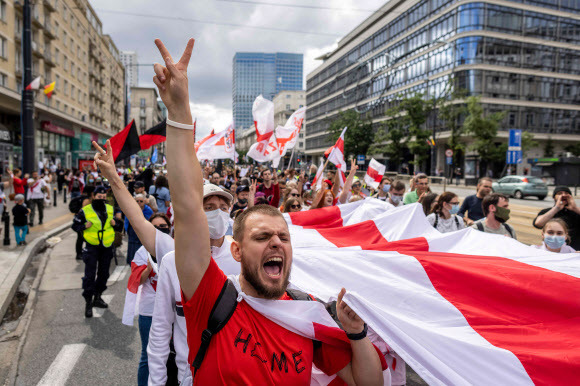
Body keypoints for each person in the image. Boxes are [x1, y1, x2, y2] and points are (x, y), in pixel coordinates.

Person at [152, 38, 384, 385]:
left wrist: (356, 333)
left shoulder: (307, 311)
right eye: (262, 236)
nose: (276, 242)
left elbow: (368, 383)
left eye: (283, 237)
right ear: (236, 249)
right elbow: (187, 204)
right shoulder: (211, 297)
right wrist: (179, 112)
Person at [148, 184, 240, 386]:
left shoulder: (244, 257)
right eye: (209, 207)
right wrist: (156, 381)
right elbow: (160, 329)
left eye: (223, 208)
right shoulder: (173, 262)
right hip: (189, 376)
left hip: (237, 376)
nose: (218, 212)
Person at [129, 213, 173, 386]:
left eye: (163, 226)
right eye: (155, 227)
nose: (160, 230)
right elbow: (136, 281)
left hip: (173, 312)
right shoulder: (142, 252)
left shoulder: (176, 248)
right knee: (148, 356)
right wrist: (148, 268)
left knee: (174, 354)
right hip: (149, 312)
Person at [72, 185, 122, 318]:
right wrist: (84, 226)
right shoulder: (85, 211)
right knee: (89, 275)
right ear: (93, 196)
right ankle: (88, 302)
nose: (102, 199)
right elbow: (75, 225)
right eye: (99, 197)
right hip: (92, 247)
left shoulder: (110, 209)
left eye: (104, 197)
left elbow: (119, 226)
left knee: (104, 274)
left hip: (106, 247)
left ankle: (98, 297)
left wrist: (115, 224)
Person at [126, 194, 154, 264]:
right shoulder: (130, 209)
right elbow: (126, 222)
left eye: (141, 201)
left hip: (145, 235)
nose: (139, 203)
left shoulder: (148, 210)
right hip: (133, 235)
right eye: (137, 201)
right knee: (132, 258)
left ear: (144, 201)